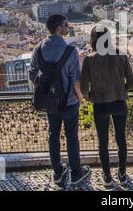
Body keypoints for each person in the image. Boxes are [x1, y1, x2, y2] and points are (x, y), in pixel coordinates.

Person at [29, 15, 91, 186]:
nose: (68, 27)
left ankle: (57, 172)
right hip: (69, 102)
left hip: (50, 103)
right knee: (72, 137)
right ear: (58, 28)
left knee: (53, 136)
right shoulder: (70, 51)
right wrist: (80, 98)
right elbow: (75, 79)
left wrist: (45, 89)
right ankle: (76, 173)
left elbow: (32, 72)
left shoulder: (38, 49)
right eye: (66, 24)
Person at [81, 27, 133, 187]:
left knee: (103, 142)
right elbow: (132, 83)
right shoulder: (121, 56)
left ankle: (107, 176)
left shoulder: (89, 60)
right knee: (121, 139)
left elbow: (84, 90)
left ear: (93, 40)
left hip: (101, 105)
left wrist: (91, 97)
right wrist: (121, 88)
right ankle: (123, 174)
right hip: (119, 103)